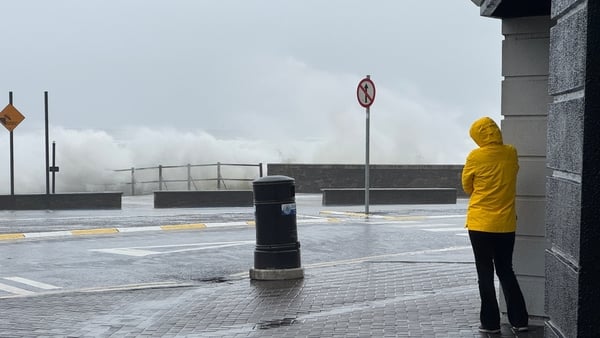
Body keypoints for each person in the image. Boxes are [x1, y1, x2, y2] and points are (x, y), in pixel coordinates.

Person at [461, 117, 529, 334]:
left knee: (485, 273)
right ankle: (519, 320)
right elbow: (513, 173)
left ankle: (490, 324)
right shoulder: (511, 152)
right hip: (506, 224)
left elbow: (466, 186)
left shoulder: (475, 156)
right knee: (506, 270)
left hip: (480, 224)